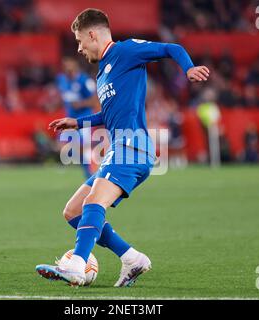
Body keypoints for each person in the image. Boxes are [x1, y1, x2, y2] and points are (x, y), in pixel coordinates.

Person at [36, 8, 210, 287]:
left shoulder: (127, 51)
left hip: (132, 146)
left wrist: (188, 67)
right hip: (119, 148)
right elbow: (108, 115)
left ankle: (77, 265)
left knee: (94, 203)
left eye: (80, 41)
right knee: (73, 211)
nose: (79, 49)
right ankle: (132, 258)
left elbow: (170, 47)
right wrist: (76, 123)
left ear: (93, 34)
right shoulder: (102, 75)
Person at [56, 56, 98, 178]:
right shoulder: (62, 80)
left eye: (69, 64)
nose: (67, 67)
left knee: (84, 149)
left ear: (75, 65)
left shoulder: (84, 81)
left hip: (83, 119)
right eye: (65, 65)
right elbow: (65, 97)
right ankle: (89, 170)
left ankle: (91, 172)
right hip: (69, 119)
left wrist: (79, 104)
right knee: (62, 146)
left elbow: (94, 101)